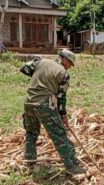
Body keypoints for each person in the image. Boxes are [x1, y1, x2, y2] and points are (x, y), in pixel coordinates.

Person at [21, 49, 86, 177]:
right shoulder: (63, 74)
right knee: (59, 135)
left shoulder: (40, 61)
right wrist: (63, 116)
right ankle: (72, 166)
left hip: (28, 103)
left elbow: (24, 69)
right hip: (43, 105)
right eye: (70, 64)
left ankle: (30, 161)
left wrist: (40, 79)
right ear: (65, 60)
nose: (70, 67)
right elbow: (61, 98)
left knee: (31, 133)